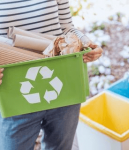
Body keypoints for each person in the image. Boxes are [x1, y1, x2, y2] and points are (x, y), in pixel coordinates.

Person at [0, 0, 103, 150]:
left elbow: (66, 27)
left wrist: (86, 43)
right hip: (14, 88)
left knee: (61, 146)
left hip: (63, 78)